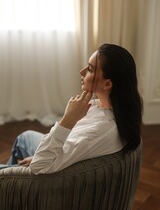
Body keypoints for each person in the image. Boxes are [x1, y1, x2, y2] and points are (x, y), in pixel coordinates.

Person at [0, 43, 143, 174]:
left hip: (46, 174)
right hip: (56, 154)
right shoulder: (105, 108)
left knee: (16, 156)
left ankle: (9, 185)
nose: (82, 72)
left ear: (107, 84)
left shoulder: (100, 130)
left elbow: (40, 165)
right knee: (24, 138)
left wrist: (68, 120)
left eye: (90, 69)